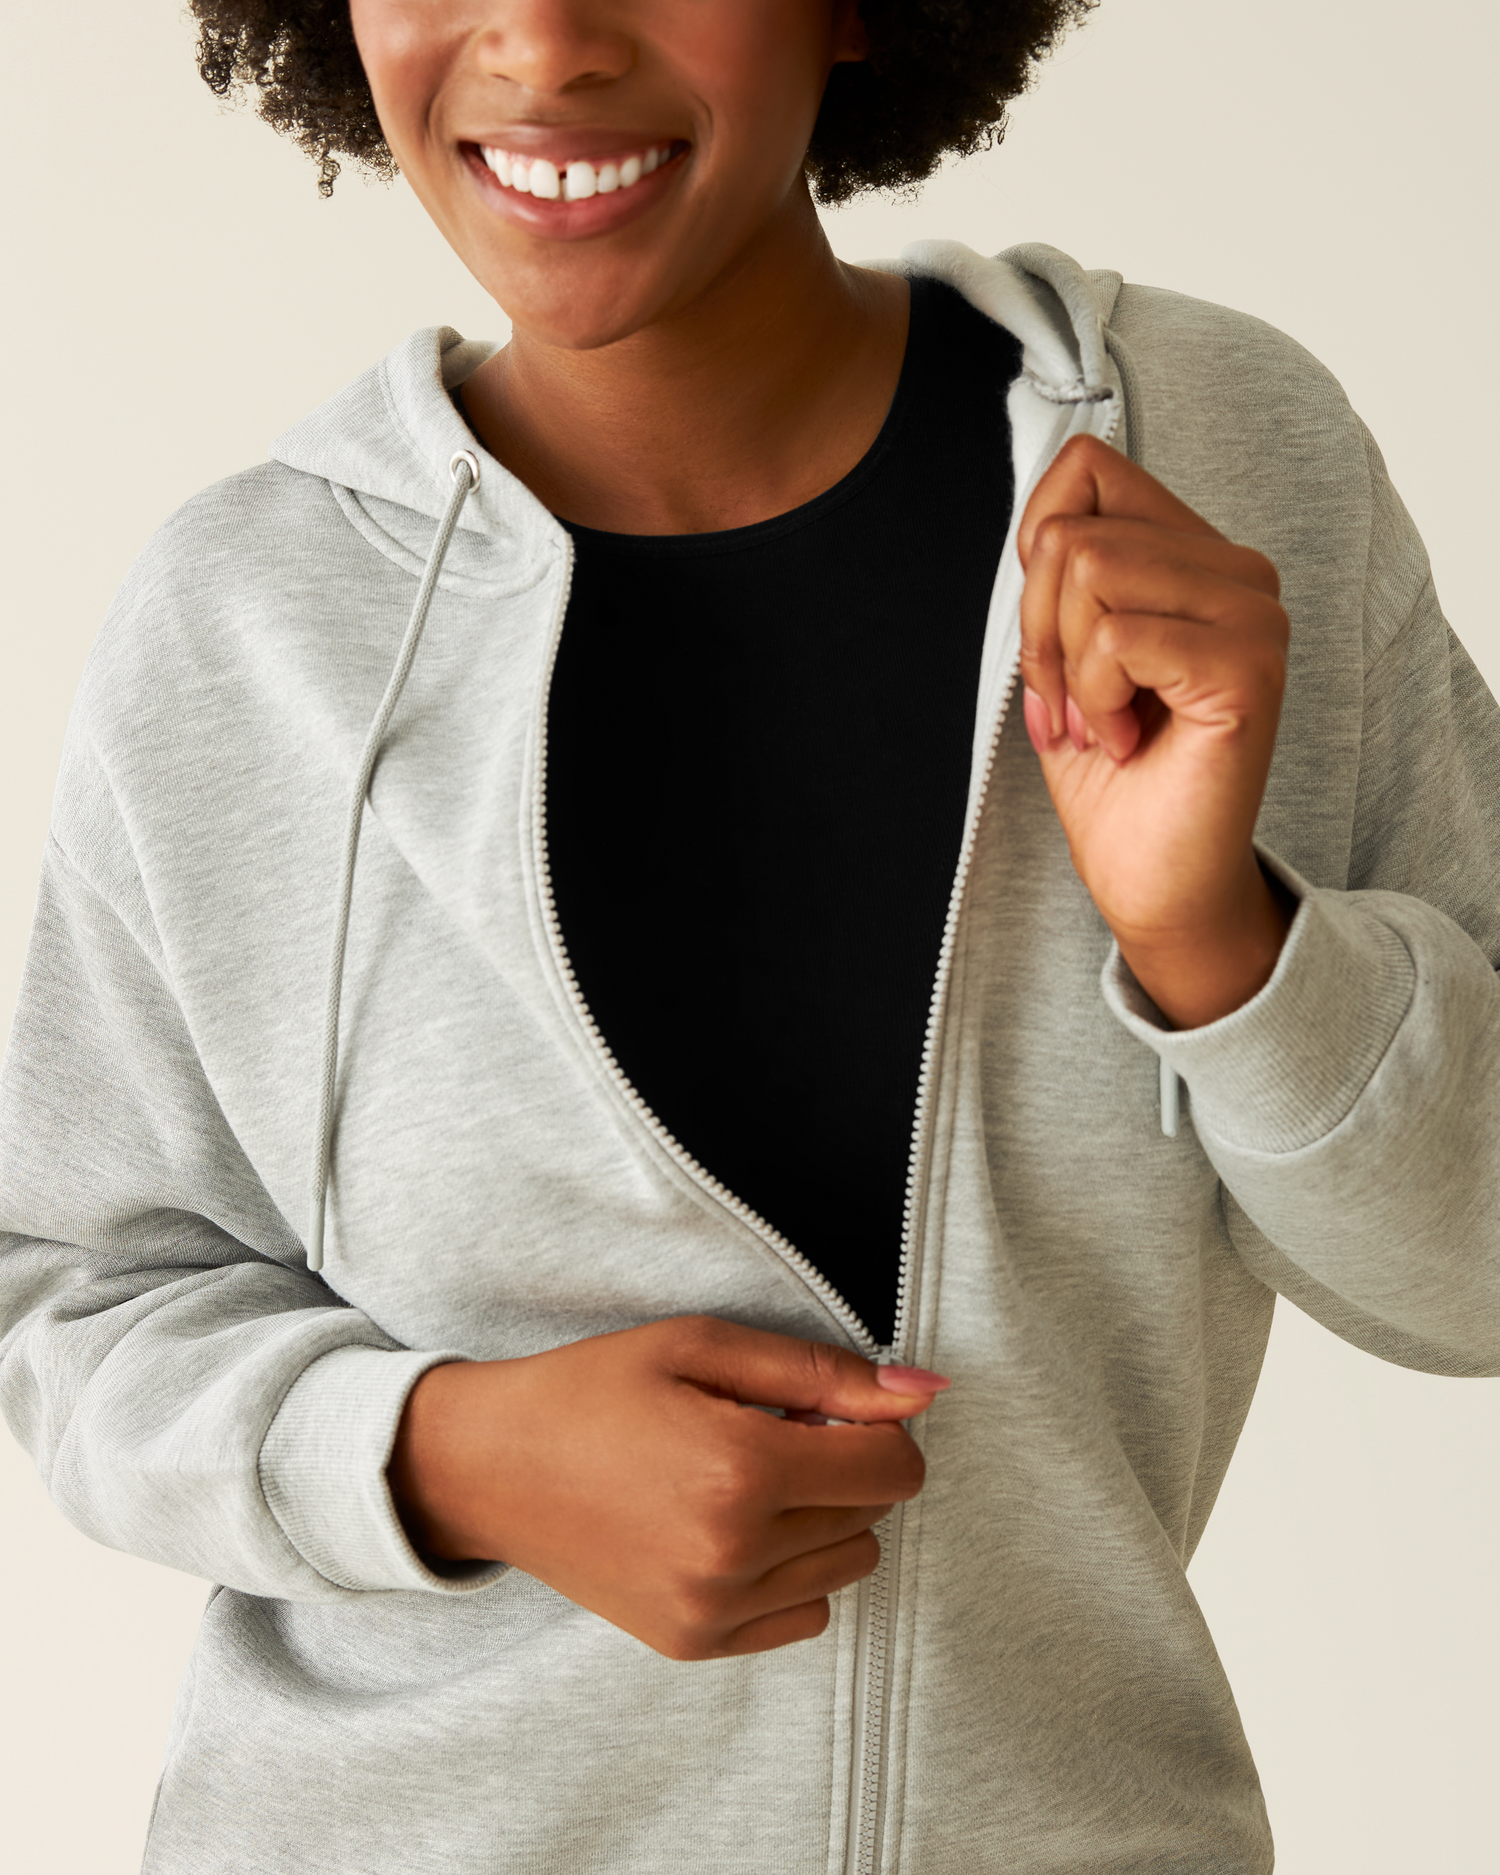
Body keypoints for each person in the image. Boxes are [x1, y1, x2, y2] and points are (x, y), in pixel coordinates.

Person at [1, 0, 1497, 1870]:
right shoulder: (243, 624)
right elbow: (74, 1301)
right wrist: (454, 1454)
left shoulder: (1221, 470)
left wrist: (1225, 940)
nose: (542, 45)